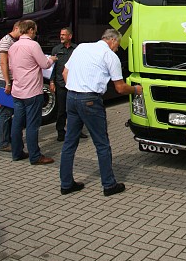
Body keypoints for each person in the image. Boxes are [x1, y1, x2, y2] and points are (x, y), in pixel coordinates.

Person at [59, 28, 143, 196]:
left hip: (71, 97)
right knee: (102, 144)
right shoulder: (110, 56)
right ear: (112, 40)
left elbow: (64, 72)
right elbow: (119, 88)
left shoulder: (81, 47)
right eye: (118, 45)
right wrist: (135, 89)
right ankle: (109, 184)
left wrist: (75, 88)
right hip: (90, 100)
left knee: (69, 143)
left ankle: (66, 184)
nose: (117, 49)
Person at [9, 20, 57, 165]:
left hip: (17, 91)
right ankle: (35, 156)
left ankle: (16, 152)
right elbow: (43, 64)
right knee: (32, 125)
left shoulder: (13, 46)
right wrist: (52, 59)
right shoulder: (33, 45)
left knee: (17, 123)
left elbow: (12, 67)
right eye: (35, 31)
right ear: (30, 30)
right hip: (32, 91)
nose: (35, 33)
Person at [50, 27, 87, 141]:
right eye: (60, 34)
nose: (61, 36)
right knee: (61, 110)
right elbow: (52, 68)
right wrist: (51, 81)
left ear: (70, 36)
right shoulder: (56, 49)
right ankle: (61, 132)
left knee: (76, 109)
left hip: (75, 84)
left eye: (64, 35)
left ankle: (77, 130)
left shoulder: (77, 49)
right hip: (61, 84)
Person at [0, 21, 21, 151]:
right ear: (16, 28)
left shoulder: (14, 41)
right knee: (5, 112)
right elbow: (3, 62)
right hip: (5, 81)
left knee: (10, 111)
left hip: (11, 81)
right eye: (21, 31)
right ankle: (4, 143)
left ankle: (9, 139)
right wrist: (7, 82)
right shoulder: (6, 41)